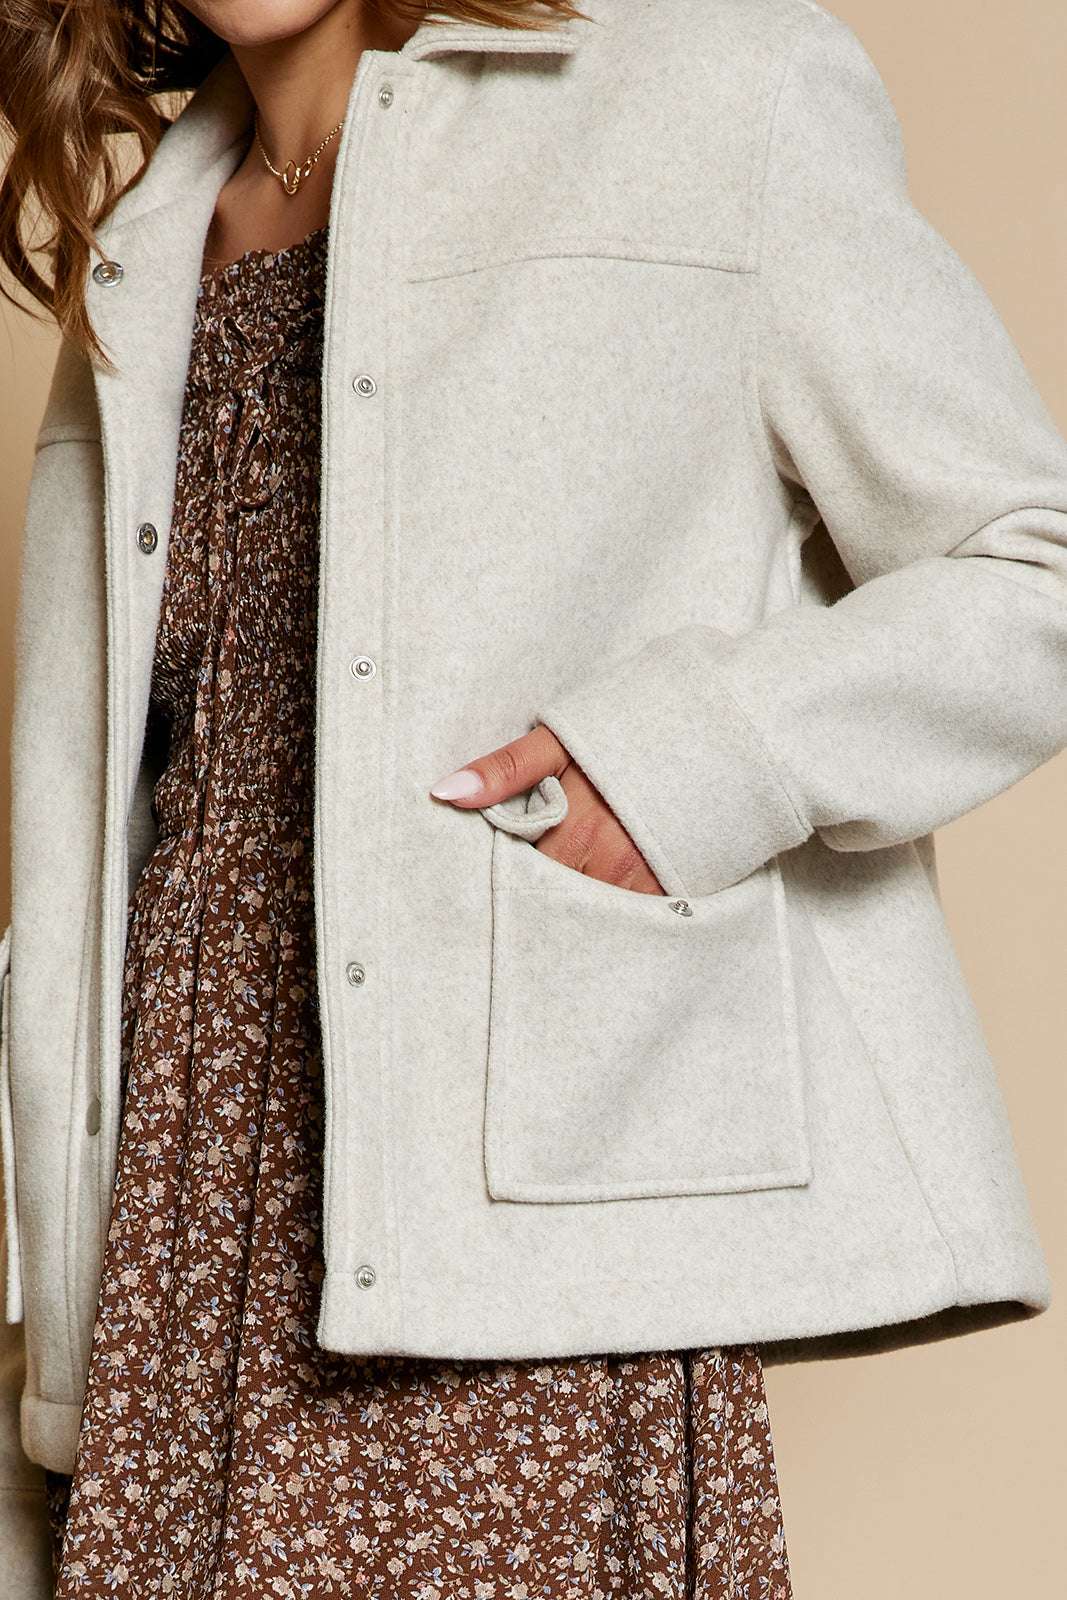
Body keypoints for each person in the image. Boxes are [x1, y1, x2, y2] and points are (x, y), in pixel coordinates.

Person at [2, 0, 1067, 1593]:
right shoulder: (150, 242)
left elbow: (1028, 570)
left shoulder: (715, 94)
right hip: (168, 1245)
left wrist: (690, 763)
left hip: (516, 1247)